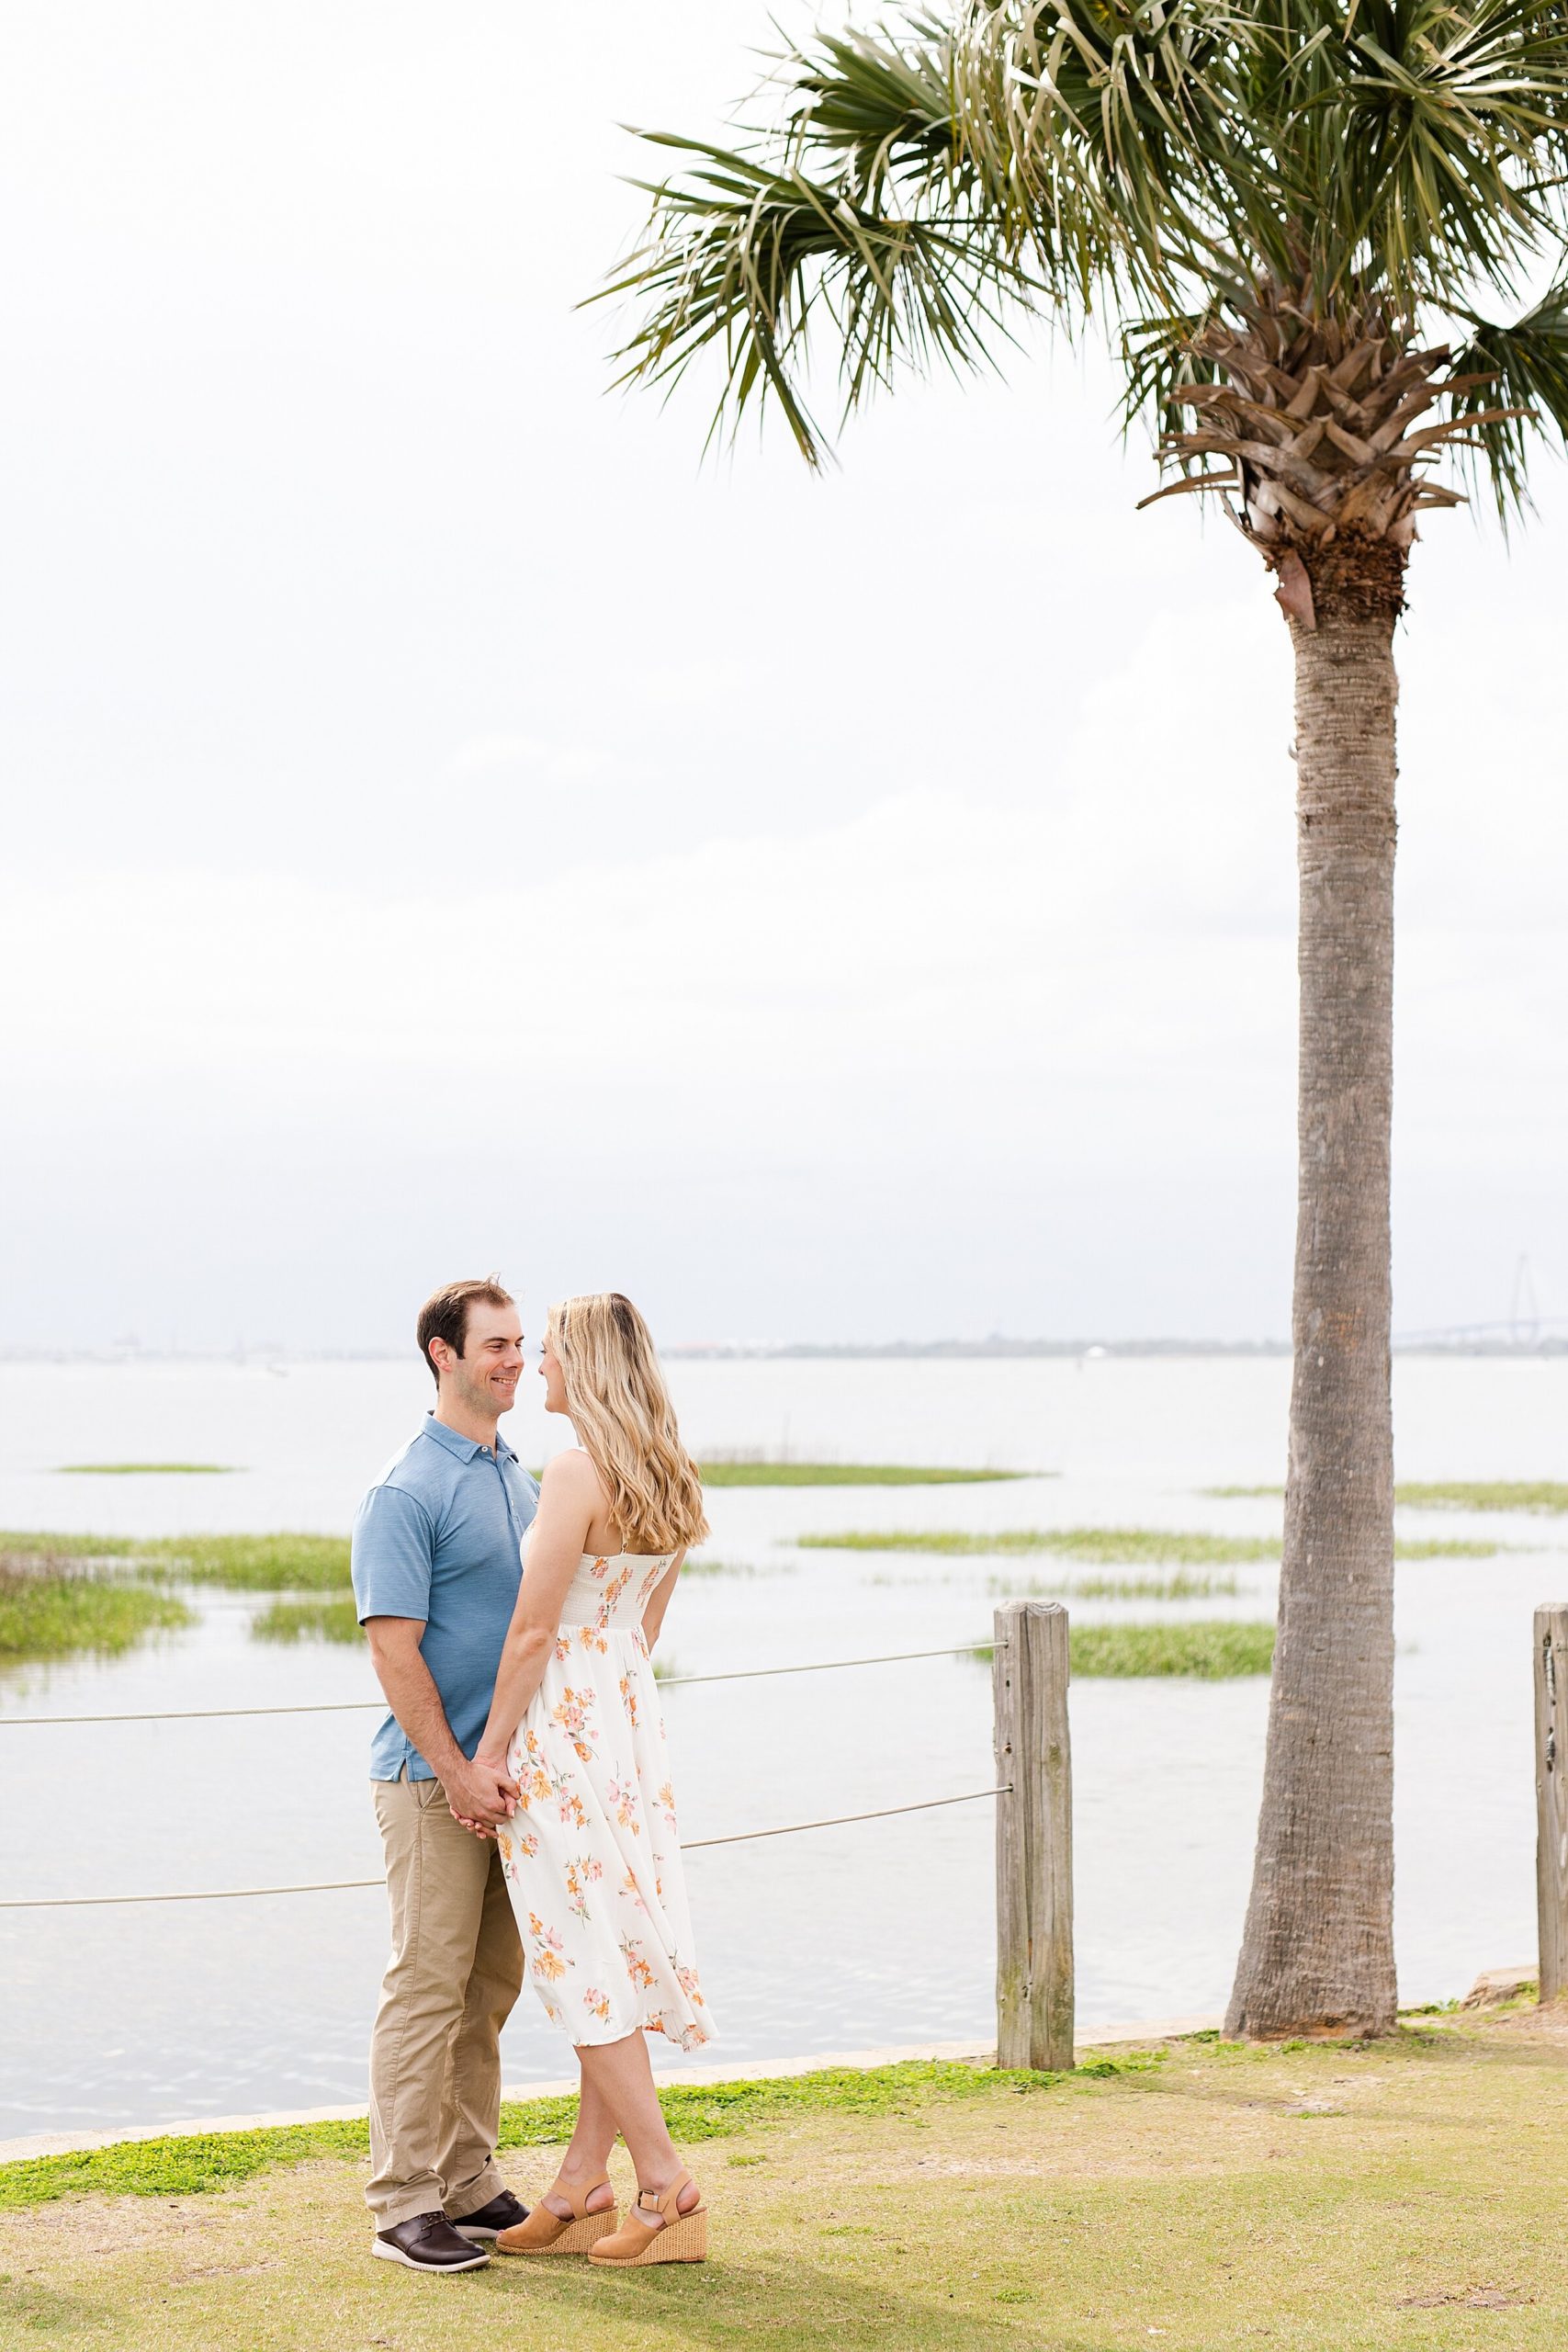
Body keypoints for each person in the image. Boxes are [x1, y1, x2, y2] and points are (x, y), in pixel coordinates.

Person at [461, 1291, 716, 2268]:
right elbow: (645, 1626)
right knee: (606, 1950)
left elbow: (531, 1632)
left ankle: (666, 2185)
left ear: (590, 1365)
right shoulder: (669, 1470)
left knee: (579, 1960)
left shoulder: (574, 1470)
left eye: (553, 1351)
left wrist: (488, 1756)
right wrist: (609, 1693)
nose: (540, 1367)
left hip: (560, 1730)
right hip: (627, 1723)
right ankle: (578, 2185)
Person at [351, 1276, 539, 2275]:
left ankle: (466, 2181)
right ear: (444, 1355)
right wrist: (457, 1771)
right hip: (432, 1783)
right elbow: (394, 1649)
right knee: (426, 1988)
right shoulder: (404, 1487)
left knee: (488, 1988)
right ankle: (401, 2203)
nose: (516, 1359)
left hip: (505, 1782)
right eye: (496, 1345)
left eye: (520, 1343)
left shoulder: (518, 1475)